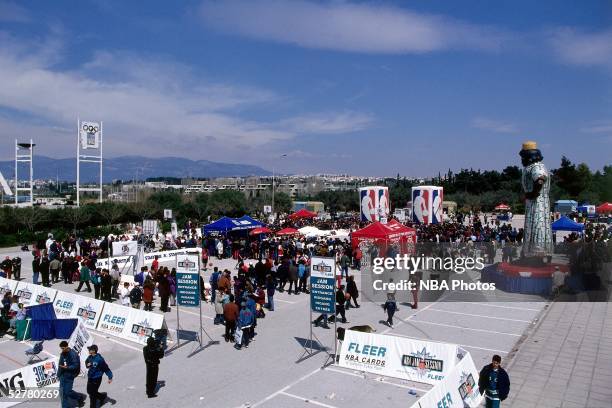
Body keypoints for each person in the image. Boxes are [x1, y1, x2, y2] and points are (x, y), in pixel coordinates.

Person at [58, 340, 84, 407]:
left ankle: (79, 397)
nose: (62, 350)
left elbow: (76, 365)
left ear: (67, 346)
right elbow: (60, 364)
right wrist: (58, 374)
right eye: (61, 348)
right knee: (62, 392)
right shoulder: (62, 354)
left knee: (68, 392)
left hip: (70, 375)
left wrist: (67, 367)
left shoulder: (73, 354)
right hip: (62, 375)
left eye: (63, 348)